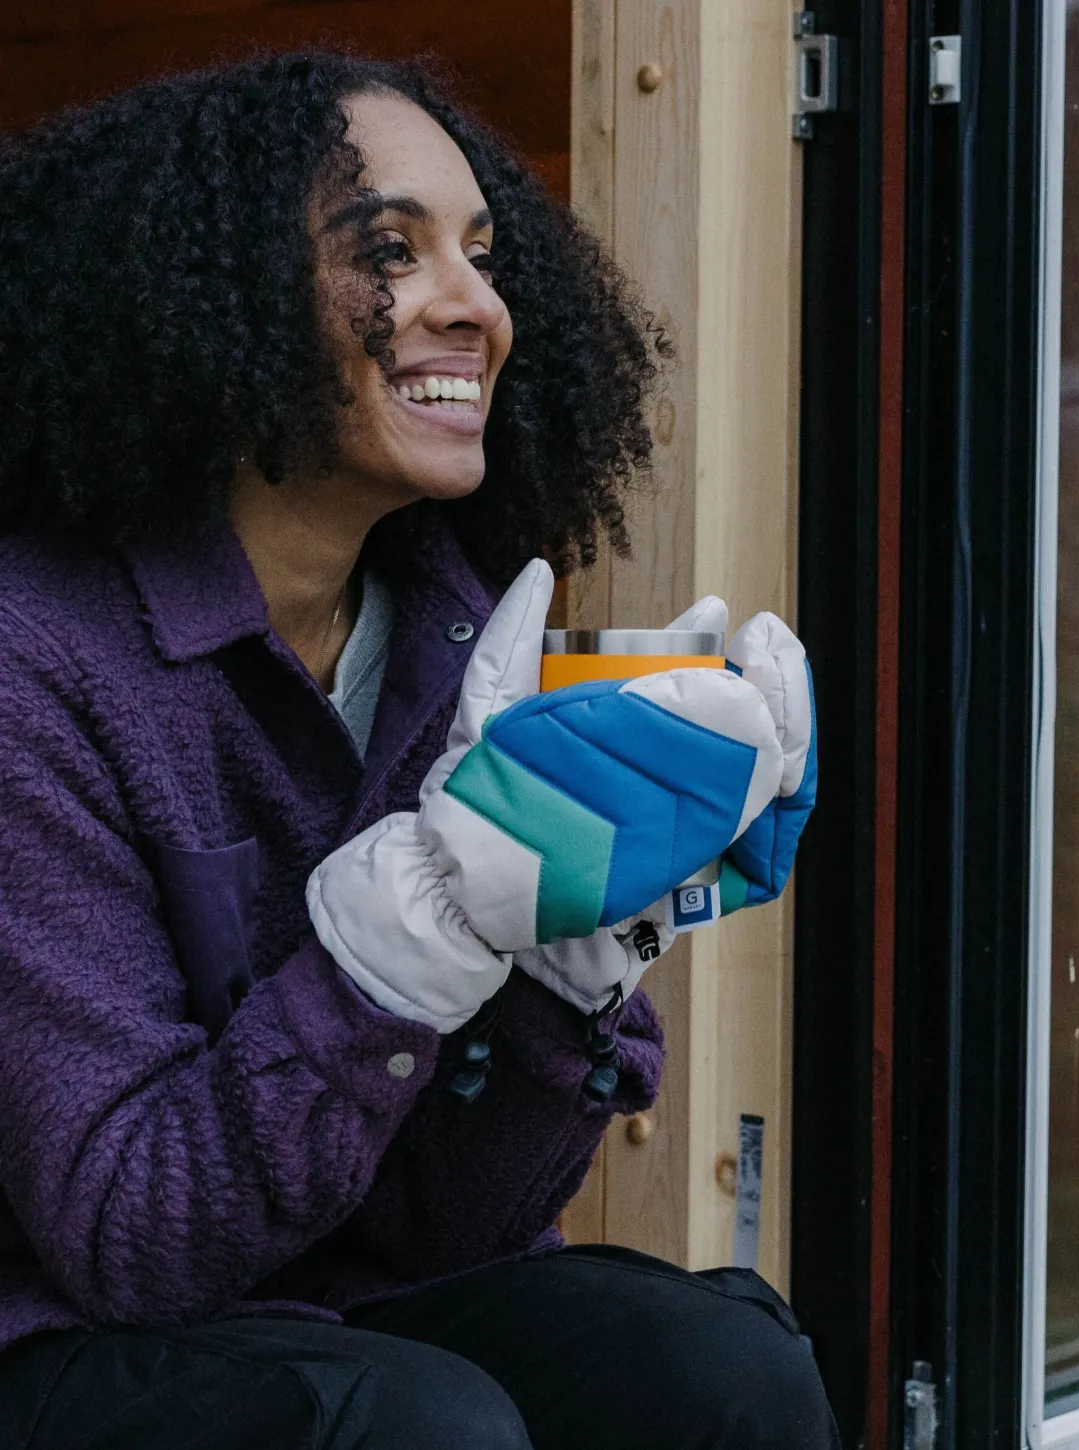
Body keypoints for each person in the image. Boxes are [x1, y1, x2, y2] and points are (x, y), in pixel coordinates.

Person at [0, 52, 835, 1450]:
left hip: (327, 1314)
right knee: (419, 1425)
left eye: (485, 253)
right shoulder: (38, 658)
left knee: (722, 1371)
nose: (479, 306)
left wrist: (574, 970)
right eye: (390, 247)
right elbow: (129, 1240)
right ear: (208, 304)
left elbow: (462, 1228)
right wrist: (412, 935)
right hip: (63, 1337)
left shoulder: (462, 636)